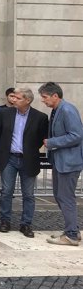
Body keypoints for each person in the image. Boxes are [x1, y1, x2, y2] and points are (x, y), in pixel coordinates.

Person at [0, 87, 48, 237]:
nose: (13, 100)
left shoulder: (40, 117)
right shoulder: (5, 114)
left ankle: (26, 224)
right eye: (13, 97)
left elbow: (41, 140)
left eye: (17, 98)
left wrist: (28, 150)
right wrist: (0, 156)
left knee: (28, 194)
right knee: (6, 192)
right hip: (9, 159)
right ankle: (5, 221)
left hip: (28, 160)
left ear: (27, 100)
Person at [40, 82, 83, 246]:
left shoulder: (67, 110)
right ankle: (73, 230)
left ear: (55, 96)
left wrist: (52, 142)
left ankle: (71, 234)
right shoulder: (58, 110)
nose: (43, 101)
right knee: (61, 196)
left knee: (65, 198)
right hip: (62, 162)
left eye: (45, 97)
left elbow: (77, 135)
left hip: (69, 163)